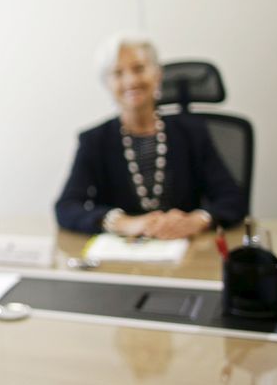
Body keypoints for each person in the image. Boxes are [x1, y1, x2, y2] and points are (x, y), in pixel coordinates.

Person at [55, 34, 246, 239]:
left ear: (157, 75)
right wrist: (124, 223)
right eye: (118, 73)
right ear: (108, 84)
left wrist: (195, 221)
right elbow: (67, 207)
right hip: (122, 254)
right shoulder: (94, 140)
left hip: (187, 249)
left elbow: (233, 199)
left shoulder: (193, 132)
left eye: (138, 68)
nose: (131, 80)